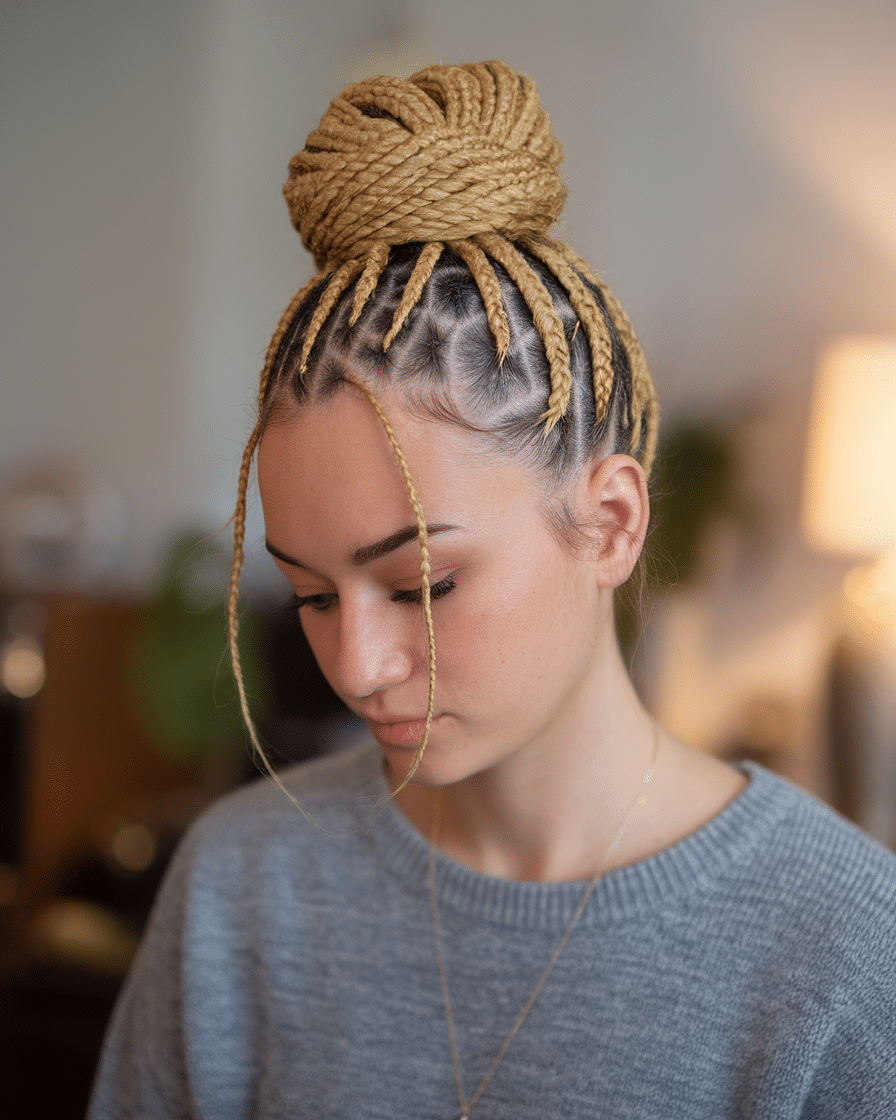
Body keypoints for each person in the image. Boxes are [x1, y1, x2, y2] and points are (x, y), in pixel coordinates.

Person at [90, 61, 896, 1119]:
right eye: (315, 596)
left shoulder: (838, 945)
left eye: (422, 584)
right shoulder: (243, 890)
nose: (356, 667)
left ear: (608, 523)